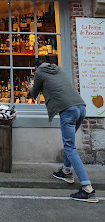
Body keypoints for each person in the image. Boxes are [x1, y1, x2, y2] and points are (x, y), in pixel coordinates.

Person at [28, 57, 98, 203]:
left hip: (68, 110)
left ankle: (87, 188)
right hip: (80, 107)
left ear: (36, 67)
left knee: (70, 147)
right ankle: (66, 171)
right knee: (70, 144)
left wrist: (30, 87)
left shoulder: (39, 72)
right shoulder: (58, 69)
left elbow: (33, 93)